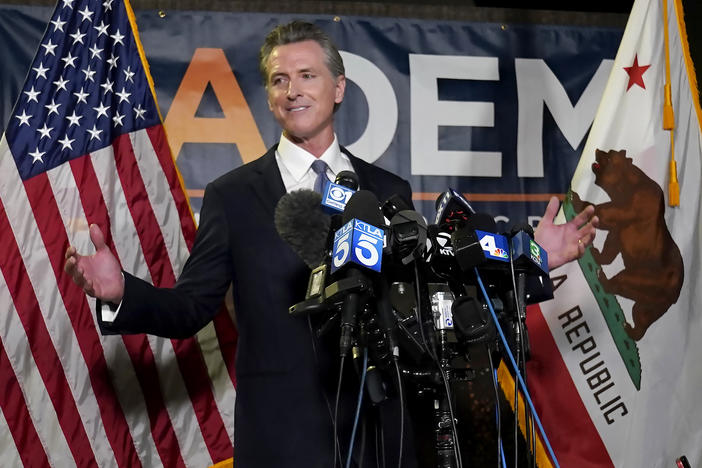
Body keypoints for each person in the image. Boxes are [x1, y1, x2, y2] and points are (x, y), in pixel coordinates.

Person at [64, 20, 598, 468]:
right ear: (270, 97)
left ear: (338, 88)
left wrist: (532, 258)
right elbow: (189, 308)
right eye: (278, 80)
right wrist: (120, 292)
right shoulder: (233, 196)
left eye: (306, 75)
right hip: (282, 440)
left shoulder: (387, 190)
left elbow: (434, 304)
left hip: (382, 436)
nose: (292, 89)